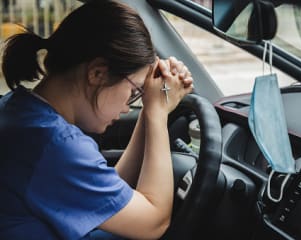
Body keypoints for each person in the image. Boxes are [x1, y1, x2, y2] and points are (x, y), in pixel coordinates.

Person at [0, 0, 193, 239]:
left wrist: (150, 107)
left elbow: (107, 198)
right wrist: (158, 112)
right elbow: (154, 223)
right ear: (97, 73)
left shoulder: (20, 110)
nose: (128, 106)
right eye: (134, 92)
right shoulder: (55, 145)